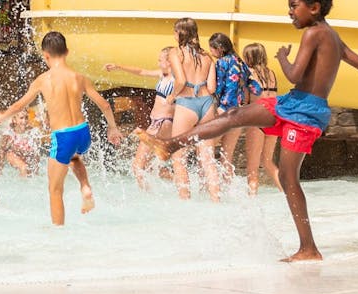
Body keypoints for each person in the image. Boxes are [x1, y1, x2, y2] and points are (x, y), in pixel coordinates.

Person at [138, 0, 358, 262]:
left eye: (293, 6)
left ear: (314, 7)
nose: (289, 11)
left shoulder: (314, 34)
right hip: (293, 104)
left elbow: (294, 75)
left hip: (306, 112)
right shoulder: (331, 34)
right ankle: (172, 144)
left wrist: (284, 57)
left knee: (288, 176)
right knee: (236, 115)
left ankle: (309, 249)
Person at [0, 31, 123, 226]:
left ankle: (58, 232)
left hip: (63, 136)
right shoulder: (79, 78)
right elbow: (104, 105)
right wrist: (113, 128)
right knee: (75, 156)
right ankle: (85, 186)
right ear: (67, 52)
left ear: (45, 55)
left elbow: (19, 106)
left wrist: (2, 116)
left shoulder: (43, 80)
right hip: (82, 132)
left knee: (55, 190)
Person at [163, 18, 221, 201]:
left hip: (187, 104)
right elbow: (212, 88)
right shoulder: (206, 56)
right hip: (207, 104)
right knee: (208, 160)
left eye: (175, 31)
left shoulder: (176, 53)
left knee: (178, 157)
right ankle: (216, 200)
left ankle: (185, 200)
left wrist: (171, 97)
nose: (173, 35)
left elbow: (180, 80)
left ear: (180, 33)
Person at [104, 47, 175, 190]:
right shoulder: (163, 74)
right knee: (149, 167)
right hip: (158, 123)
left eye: (160, 60)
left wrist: (174, 96)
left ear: (170, 62)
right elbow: (141, 71)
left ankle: (146, 196)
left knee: (137, 166)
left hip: (161, 124)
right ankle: (179, 180)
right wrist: (119, 66)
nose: (158, 62)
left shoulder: (178, 79)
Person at [239, 43, 282, 195]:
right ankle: (287, 194)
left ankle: (252, 202)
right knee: (268, 162)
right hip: (274, 119)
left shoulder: (249, 75)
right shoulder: (271, 74)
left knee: (252, 167)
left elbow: (245, 99)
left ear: (249, 57)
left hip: (257, 120)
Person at [209, 32, 251, 183]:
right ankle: (229, 192)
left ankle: (208, 190)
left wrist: (218, 107)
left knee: (206, 150)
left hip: (225, 109)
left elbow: (217, 88)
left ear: (219, 48)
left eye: (212, 49)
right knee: (227, 157)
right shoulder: (241, 62)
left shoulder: (222, 62)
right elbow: (248, 86)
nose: (211, 52)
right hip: (239, 112)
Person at [0, 111, 41, 176]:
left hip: (26, 155)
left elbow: (36, 153)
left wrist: (37, 170)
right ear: (14, 120)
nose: (24, 121)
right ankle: (23, 185)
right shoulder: (9, 133)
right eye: (21, 118)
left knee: (30, 173)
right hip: (12, 155)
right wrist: (0, 170)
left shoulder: (32, 132)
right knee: (23, 167)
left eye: (26, 118)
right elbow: (2, 150)